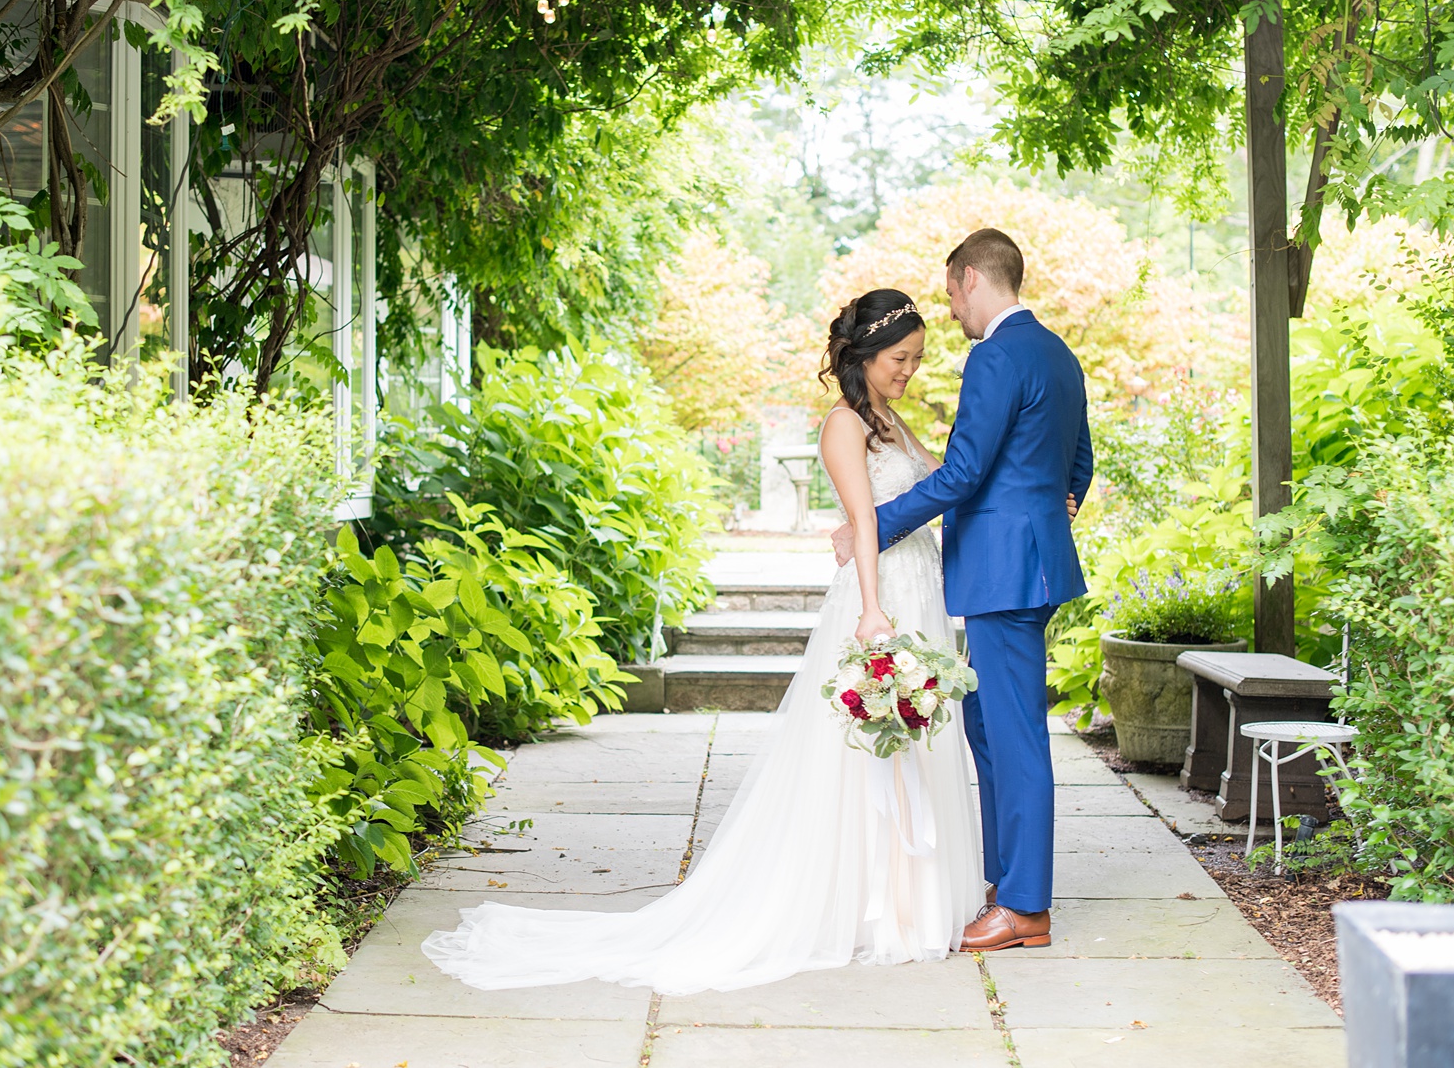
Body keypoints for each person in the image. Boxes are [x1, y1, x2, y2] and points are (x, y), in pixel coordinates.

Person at [422, 288, 985, 994]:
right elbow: (864, 522)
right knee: (868, 753)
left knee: (914, 747)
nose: (910, 370)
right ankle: (876, 908)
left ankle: (911, 901)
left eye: (917, 359)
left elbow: (941, 482)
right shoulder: (843, 426)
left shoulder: (891, 421)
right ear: (866, 356)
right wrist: (873, 609)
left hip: (919, 584)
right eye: (901, 358)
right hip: (882, 596)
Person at [833, 228, 1092, 952]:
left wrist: (873, 527)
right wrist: (1053, 507)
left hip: (1004, 571)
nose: (950, 311)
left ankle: (1026, 907)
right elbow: (1081, 461)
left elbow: (965, 472)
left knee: (1013, 737)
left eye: (950, 293)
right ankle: (1004, 882)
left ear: (972, 277)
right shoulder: (1058, 353)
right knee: (985, 727)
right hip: (1026, 563)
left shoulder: (995, 355)